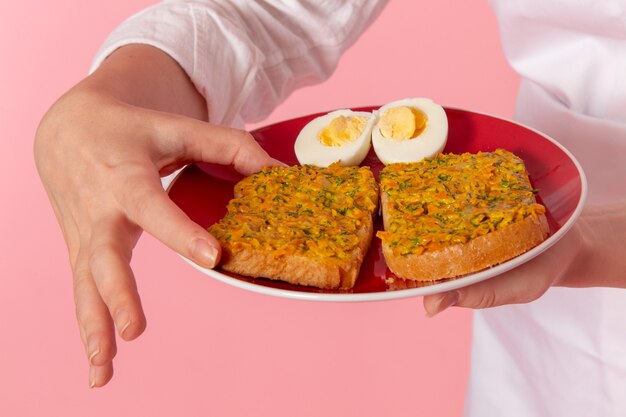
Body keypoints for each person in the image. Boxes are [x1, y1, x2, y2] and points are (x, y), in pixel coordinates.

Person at [34, 1, 626, 415]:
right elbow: (267, 11)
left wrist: (592, 240)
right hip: (539, 354)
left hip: (551, 227)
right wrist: (111, 96)